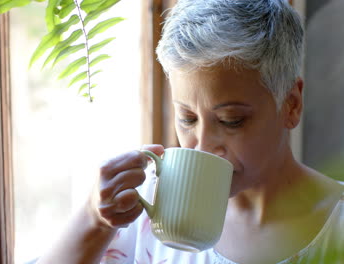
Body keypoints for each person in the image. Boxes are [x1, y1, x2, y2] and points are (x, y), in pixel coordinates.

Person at [36, 0, 344, 263]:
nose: (202, 146)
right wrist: (94, 218)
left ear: (291, 104)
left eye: (231, 120)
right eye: (187, 118)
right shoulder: (145, 208)